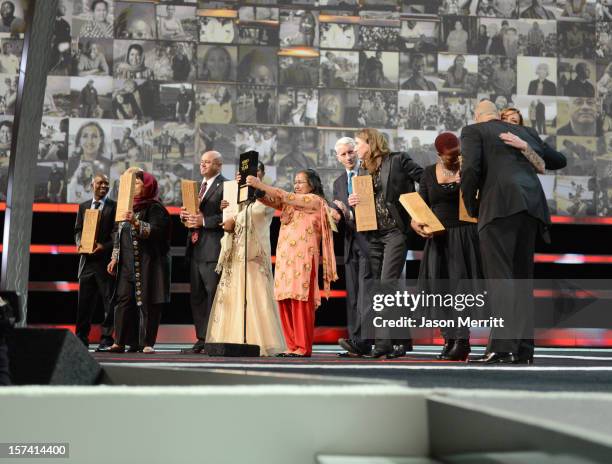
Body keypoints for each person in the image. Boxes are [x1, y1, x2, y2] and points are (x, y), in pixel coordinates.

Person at [460, 100, 567, 364]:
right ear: (497, 115)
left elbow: (471, 169)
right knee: (521, 280)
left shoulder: (474, 131)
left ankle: (502, 347)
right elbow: (558, 160)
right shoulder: (526, 132)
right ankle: (522, 349)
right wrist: (527, 146)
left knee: (501, 279)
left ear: (478, 116)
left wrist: (472, 206)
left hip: (498, 207)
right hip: (530, 209)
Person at [347, 128, 423, 359]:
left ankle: (382, 343)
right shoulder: (362, 169)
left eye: (358, 144)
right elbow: (367, 203)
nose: (356, 148)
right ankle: (387, 343)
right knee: (380, 289)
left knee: (387, 285)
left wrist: (419, 213)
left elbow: (425, 180)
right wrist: (354, 202)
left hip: (396, 232)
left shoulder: (398, 159)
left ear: (370, 144)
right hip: (375, 234)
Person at [246, 169, 337, 357]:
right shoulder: (291, 203)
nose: (296, 185)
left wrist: (259, 183)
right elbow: (271, 200)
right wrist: (256, 191)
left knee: (300, 300)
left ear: (312, 184)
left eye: (300, 182)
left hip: (303, 259)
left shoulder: (315, 200)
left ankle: (303, 347)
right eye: (295, 182)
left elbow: (282, 195)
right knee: (284, 299)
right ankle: (292, 346)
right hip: (285, 259)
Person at [412, 133, 483, 361]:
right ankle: (449, 338)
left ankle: (462, 340)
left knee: (461, 290)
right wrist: (416, 224)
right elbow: (420, 206)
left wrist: (469, 183)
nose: (454, 158)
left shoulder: (470, 169)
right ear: (438, 154)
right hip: (438, 238)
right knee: (440, 290)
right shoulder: (427, 173)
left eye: (457, 153)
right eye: (449, 155)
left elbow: (482, 201)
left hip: (464, 235)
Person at [206, 163, 285, 356]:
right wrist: (227, 210)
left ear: (262, 175)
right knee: (233, 293)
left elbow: (257, 214)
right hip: (235, 251)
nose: (250, 177)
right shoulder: (234, 192)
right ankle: (231, 338)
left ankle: (260, 340)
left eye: (255, 173)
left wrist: (236, 218)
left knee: (256, 294)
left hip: (254, 253)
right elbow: (229, 220)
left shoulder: (266, 194)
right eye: (246, 174)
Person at [108, 171, 171, 354]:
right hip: (127, 262)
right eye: (132, 184)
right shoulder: (127, 207)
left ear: (147, 186)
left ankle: (147, 342)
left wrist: (136, 222)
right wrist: (114, 256)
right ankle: (119, 341)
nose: (133, 187)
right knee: (123, 299)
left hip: (148, 262)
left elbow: (157, 232)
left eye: (137, 183)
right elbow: (118, 233)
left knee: (147, 301)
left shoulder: (155, 208)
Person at [180, 151, 227, 354]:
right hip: (195, 248)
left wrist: (205, 221)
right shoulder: (198, 187)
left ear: (219, 165)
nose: (203, 165)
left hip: (213, 248)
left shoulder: (226, 186)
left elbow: (229, 215)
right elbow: (193, 216)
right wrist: (185, 217)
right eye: (202, 162)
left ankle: (213, 338)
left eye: (208, 162)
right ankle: (201, 338)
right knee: (196, 297)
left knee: (212, 295)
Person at [331, 137, 372, 357]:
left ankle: (364, 340)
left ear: (356, 152)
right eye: (343, 154)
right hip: (349, 243)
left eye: (350, 152)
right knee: (354, 296)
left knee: (366, 294)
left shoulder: (368, 174)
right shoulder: (338, 182)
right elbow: (339, 211)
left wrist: (359, 206)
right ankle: (355, 340)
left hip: (369, 241)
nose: (348, 157)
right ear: (337, 158)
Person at [74, 174, 116, 351]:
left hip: (105, 262)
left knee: (109, 302)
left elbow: (116, 234)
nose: (104, 186)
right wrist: (80, 244)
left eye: (107, 183)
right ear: (92, 185)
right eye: (100, 183)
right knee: (84, 303)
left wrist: (104, 246)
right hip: (87, 263)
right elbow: (77, 230)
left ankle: (106, 338)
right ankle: (81, 337)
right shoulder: (83, 206)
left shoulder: (114, 207)